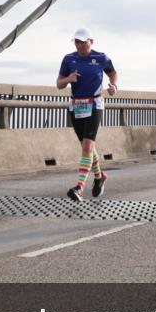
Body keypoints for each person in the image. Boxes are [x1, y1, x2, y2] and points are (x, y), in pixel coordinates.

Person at [57, 28, 118, 202]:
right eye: (77, 41)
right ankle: (99, 176)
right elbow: (59, 84)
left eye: (83, 41)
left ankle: (79, 188)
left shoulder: (101, 58)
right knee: (87, 147)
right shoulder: (69, 59)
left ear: (92, 41)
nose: (80, 45)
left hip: (94, 104)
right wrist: (69, 79)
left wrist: (113, 86)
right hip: (76, 106)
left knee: (87, 147)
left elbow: (113, 73)